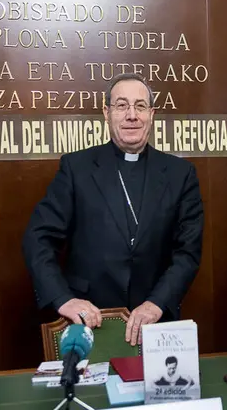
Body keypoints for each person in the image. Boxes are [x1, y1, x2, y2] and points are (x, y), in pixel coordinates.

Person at [23, 73, 203, 346]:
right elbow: (38, 238)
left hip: (155, 319)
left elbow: (188, 252)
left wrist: (157, 303)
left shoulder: (181, 174)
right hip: (91, 320)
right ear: (106, 113)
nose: (132, 115)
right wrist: (63, 299)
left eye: (140, 106)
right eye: (121, 105)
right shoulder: (77, 168)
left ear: (151, 114)